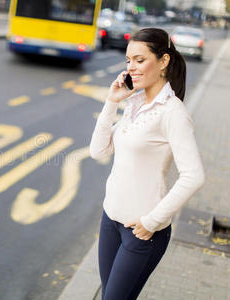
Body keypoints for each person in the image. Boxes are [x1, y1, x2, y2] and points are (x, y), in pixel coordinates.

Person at [89, 28, 205, 300]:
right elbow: (98, 151)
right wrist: (111, 102)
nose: (131, 68)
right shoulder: (135, 104)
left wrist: (153, 221)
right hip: (110, 221)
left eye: (140, 60)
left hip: (142, 232)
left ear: (163, 61)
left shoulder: (173, 113)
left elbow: (194, 176)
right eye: (129, 60)